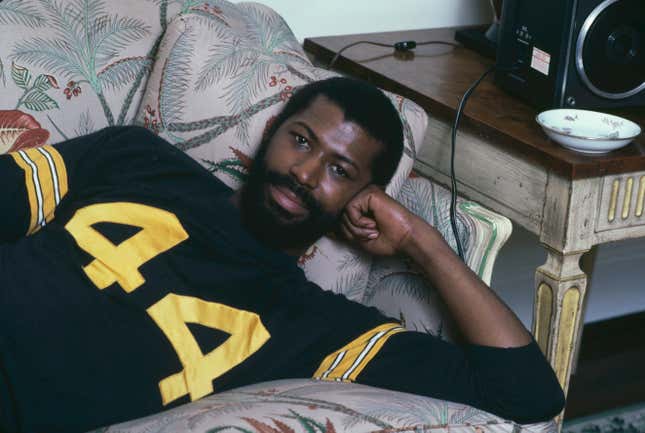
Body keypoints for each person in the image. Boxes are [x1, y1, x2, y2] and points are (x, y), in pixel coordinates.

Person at [0, 77, 564, 432]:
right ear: (271, 131)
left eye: (340, 171)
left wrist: (423, 242)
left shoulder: (311, 325)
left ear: (363, 200)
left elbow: (527, 392)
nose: (306, 173)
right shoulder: (136, 157)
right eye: (301, 140)